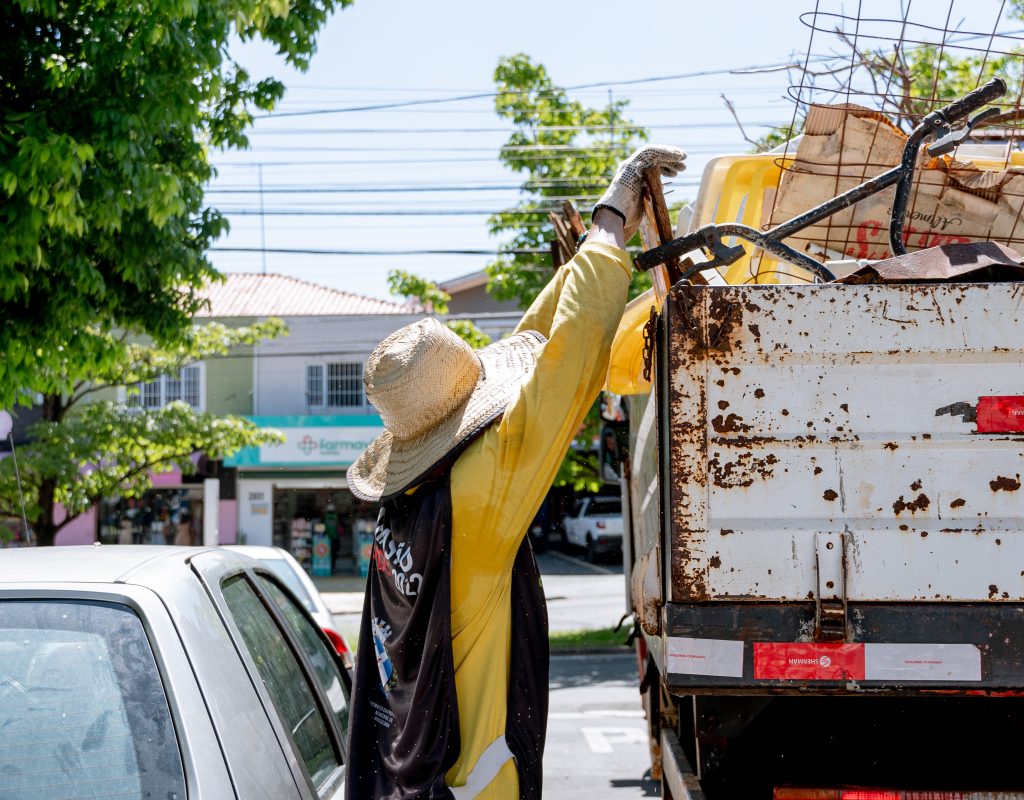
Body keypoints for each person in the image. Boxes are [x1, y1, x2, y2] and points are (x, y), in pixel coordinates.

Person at [344, 145, 687, 799]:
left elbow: (531, 353)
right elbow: (568, 361)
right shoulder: (474, 494)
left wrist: (578, 264)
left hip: (413, 774)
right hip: (473, 786)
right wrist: (613, 219)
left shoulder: (410, 501)